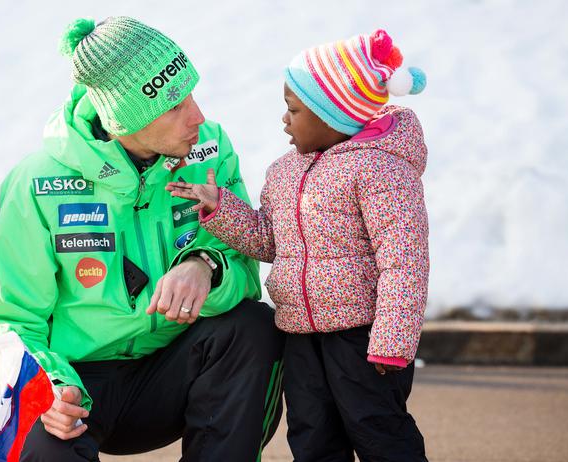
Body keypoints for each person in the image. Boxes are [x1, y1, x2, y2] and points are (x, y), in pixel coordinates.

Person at [0, 16, 284, 462]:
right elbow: (6, 320)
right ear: (124, 121)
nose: (198, 117)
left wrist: (205, 267)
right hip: (72, 386)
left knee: (253, 328)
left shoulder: (209, 149)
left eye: (192, 94)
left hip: (167, 374)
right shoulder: (37, 183)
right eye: (175, 107)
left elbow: (244, 267)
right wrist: (49, 389)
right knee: (34, 431)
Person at [167, 29, 429, 461]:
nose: (284, 121)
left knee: (377, 430)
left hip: (362, 338)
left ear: (336, 115)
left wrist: (392, 340)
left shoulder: (383, 170)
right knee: (312, 435)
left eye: (293, 110)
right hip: (301, 335)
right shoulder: (286, 173)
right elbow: (270, 241)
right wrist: (220, 207)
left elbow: (404, 262)